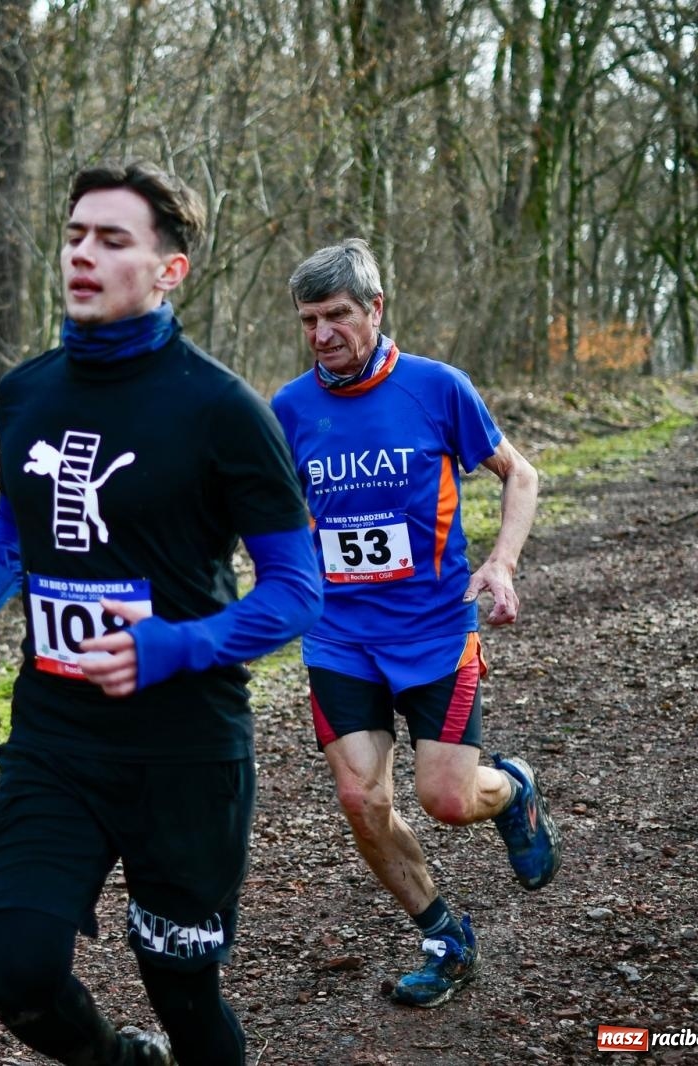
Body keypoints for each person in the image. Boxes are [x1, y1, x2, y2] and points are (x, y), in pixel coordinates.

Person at [0, 162, 322, 1066]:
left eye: (112, 240)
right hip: (56, 737)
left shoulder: (224, 412)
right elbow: (15, 527)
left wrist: (173, 647)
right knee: (20, 977)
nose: (83, 256)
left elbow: (299, 591)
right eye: (74, 237)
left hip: (183, 748)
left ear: (169, 269)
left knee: (183, 995)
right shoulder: (26, 393)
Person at [270, 238, 559, 1008]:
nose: (324, 333)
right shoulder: (290, 409)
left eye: (337, 315)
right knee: (362, 800)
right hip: (340, 638)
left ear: (375, 308)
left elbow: (521, 475)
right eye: (309, 320)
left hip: (434, 631)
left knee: (449, 801)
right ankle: (443, 937)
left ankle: (514, 789)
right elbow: (270, 514)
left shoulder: (437, 388)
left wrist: (500, 563)